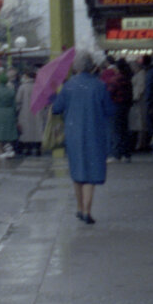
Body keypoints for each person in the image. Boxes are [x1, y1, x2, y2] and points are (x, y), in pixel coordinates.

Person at [50, 51, 115, 224]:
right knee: (91, 172)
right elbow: (110, 110)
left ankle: (79, 208)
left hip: (74, 134)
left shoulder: (69, 86)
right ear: (91, 65)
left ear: (76, 67)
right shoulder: (99, 86)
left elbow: (56, 108)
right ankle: (87, 210)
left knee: (77, 170)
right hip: (95, 133)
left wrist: (53, 95)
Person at [103, 56, 134, 162]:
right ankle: (127, 154)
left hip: (116, 106)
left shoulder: (114, 80)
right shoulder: (127, 79)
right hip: (125, 107)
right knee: (124, 130)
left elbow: (109, 93)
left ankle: (116, 154)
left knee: (116, 131)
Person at [15, 67, 43, 157]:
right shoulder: (39, 87)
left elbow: (18, 100)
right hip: (37, 112)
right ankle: (38, 148)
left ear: (27, 77)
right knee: (37, 130)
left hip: (25, 112)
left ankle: (27, 148)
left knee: (26, 131)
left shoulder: (23, 87)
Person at [129, 57, 150, 154]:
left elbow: (140, 88)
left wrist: (135, 97)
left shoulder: (141, 75)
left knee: (141, 123)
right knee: (140, 123)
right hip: (139, 101)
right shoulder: (141, 74)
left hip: (139, 101)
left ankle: (140, 143)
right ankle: (140, 143)